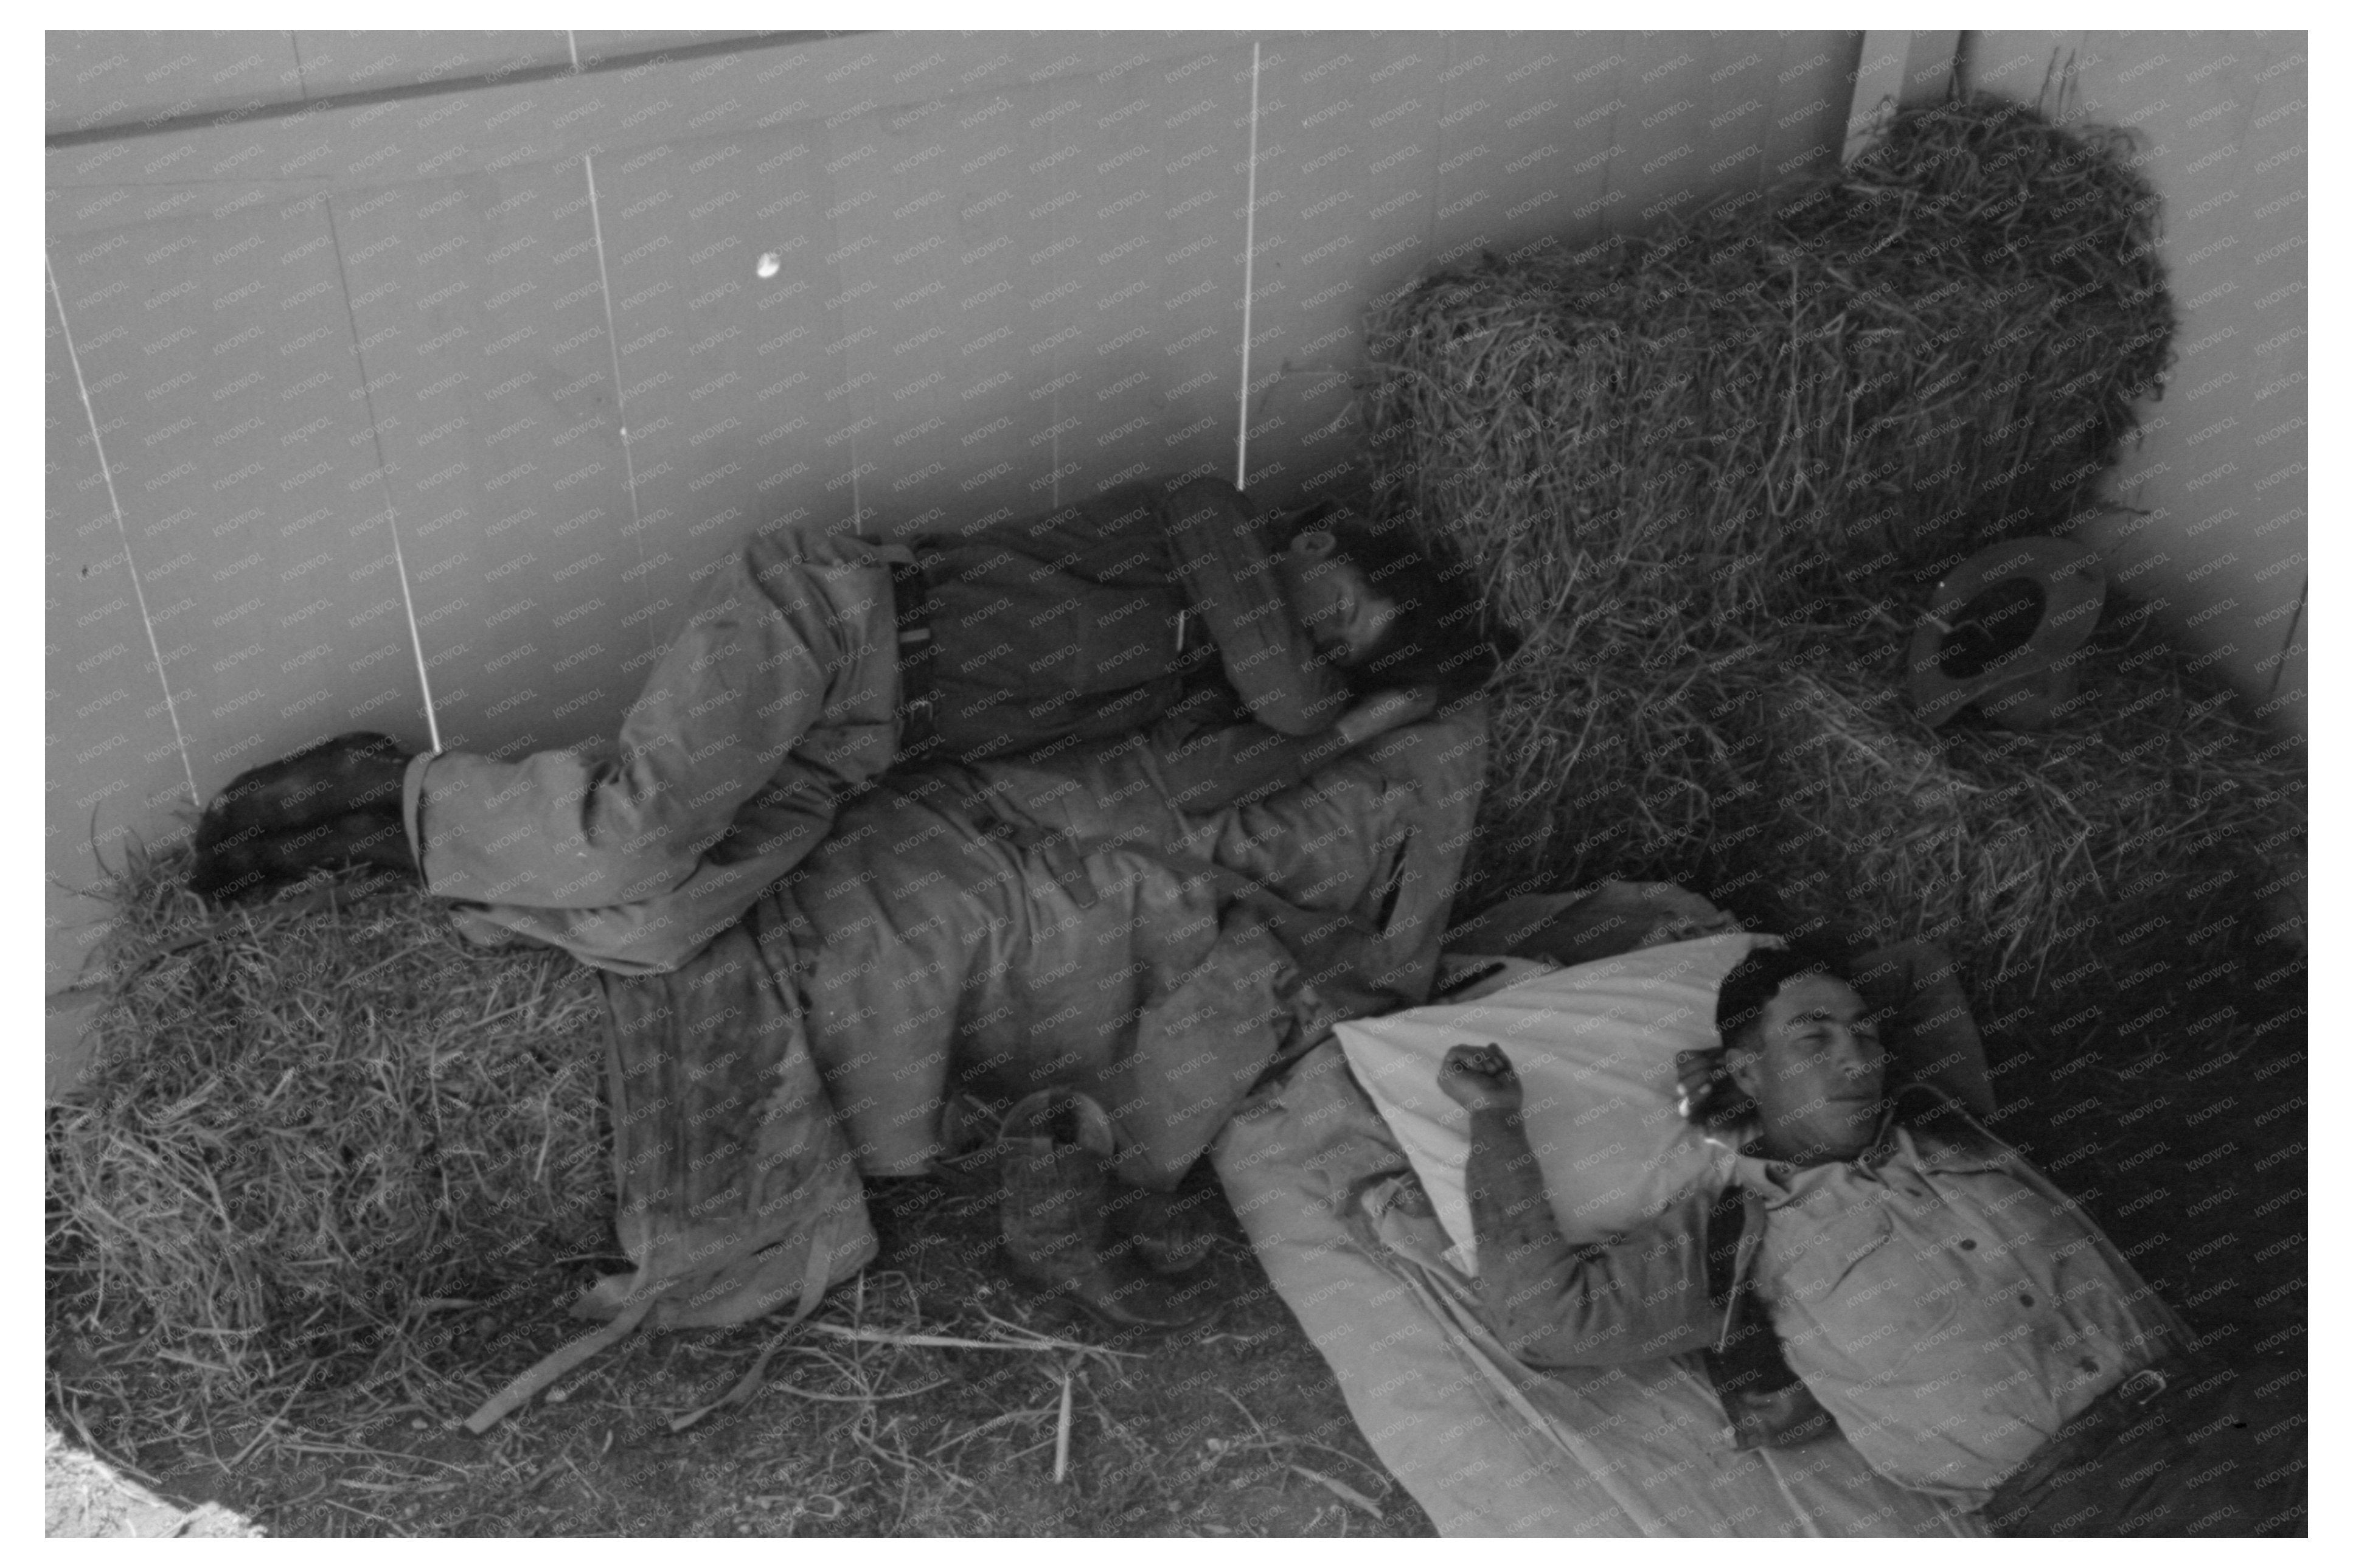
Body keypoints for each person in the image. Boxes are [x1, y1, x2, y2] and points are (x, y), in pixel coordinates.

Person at [190, 476, 1504, 973]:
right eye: (1344, 612)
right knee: (630, 836)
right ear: (1322, 541)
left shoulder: (1227, 695)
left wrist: (1348, 734)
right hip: (838, 618)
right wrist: (1348, 705)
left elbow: (1131, 801)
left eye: (1348, 651)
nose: (1325, 645)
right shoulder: (1209, 527)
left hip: (861, 744)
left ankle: (427, 852)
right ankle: (388, 792)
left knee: (660, 925)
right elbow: (1286, 684)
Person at [1435, 943, 2306, 1537]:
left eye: (1864, 1034)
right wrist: (1496, 1123)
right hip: (2099, 1505)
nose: (1857, 1059)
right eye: (1813, 1040)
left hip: (2244, 1406)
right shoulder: (1738, 1228)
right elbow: (1549, 1320)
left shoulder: (1957, 1125)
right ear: (1744, 1071)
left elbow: (1918, 964)